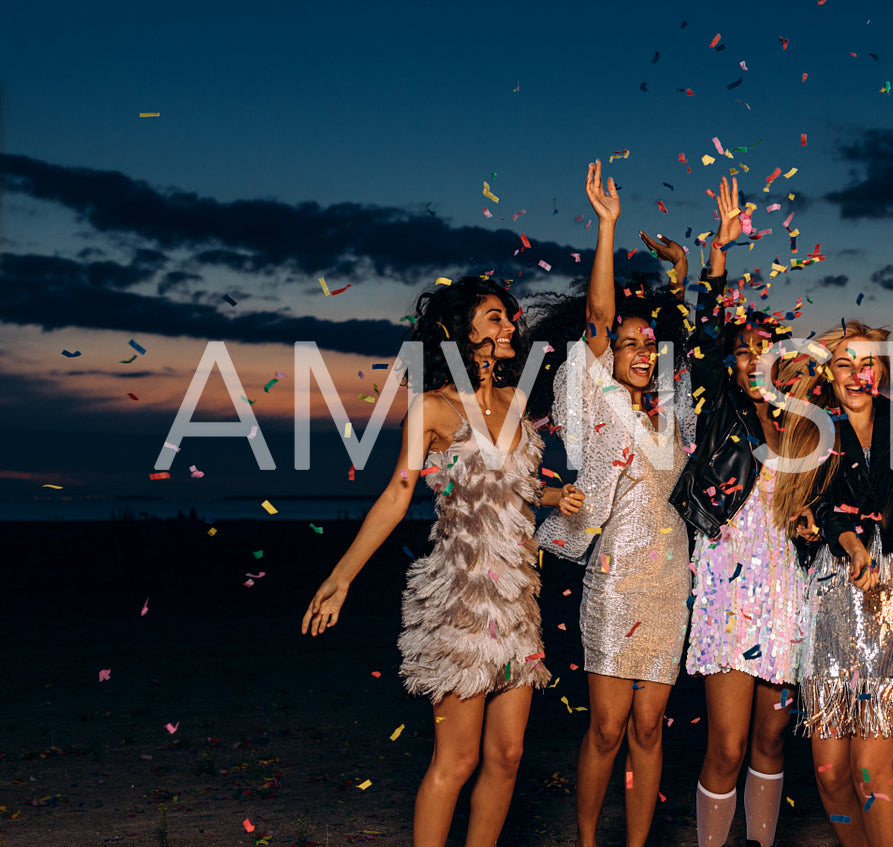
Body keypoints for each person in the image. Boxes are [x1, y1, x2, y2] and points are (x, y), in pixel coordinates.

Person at [300, 276, 583, 847]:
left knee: (507, 756)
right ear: (461, 332)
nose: (510, 326)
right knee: (456, 761)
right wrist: (340, 578)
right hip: (462, 597)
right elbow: (396, 494)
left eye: (509, 317)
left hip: (517, 599)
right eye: (495, 318)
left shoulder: (518, 401)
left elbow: (515, 481)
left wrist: (553, 496)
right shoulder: (432, 409)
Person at [535, 160, 695, 847]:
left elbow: (686, 342)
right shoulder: (590, 400)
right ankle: (586, 839)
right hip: (612, 578)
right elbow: (598, 317)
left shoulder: (676, 412)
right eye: (624, 343)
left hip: (668, 578)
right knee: (605, 725)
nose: (635, 349)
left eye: (644, 343)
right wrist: (607, 228)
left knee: (648, 726)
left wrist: (682, 283)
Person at [666, 175, 811, 847]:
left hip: (786, 584)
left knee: (772, 735)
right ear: (731, 359)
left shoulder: (805, 427)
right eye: (741, 347)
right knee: (724, 743)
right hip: (727, 580)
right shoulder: (718, 410)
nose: (752, 354)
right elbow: (702, 331)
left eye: (763, 347)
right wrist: (718, 257)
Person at [771, 320, 893, 847]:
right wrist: (850, 546)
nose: (856, 373)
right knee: (829, 772)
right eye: (843, 363)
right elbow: (822, 506)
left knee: (870, 768)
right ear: (829, 372)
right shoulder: (816, 429)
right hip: (832, 592)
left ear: (882, 371)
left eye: (866, 362)